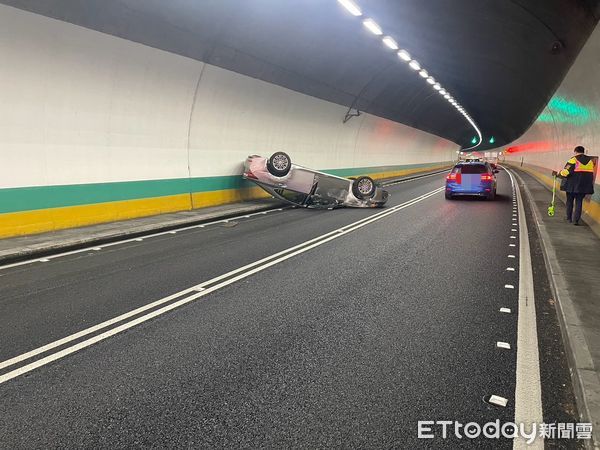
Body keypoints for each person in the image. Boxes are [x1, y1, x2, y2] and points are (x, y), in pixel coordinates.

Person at [552, 146, 595, 226]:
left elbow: (566, 172)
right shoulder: (590, 161)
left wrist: (558, 174)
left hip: (572, 186)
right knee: (579, 202)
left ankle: (569, 218)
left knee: (569, 201)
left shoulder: (573, 160)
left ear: (575, 151)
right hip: (584, 186)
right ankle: (576, 220)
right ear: (583, 151)